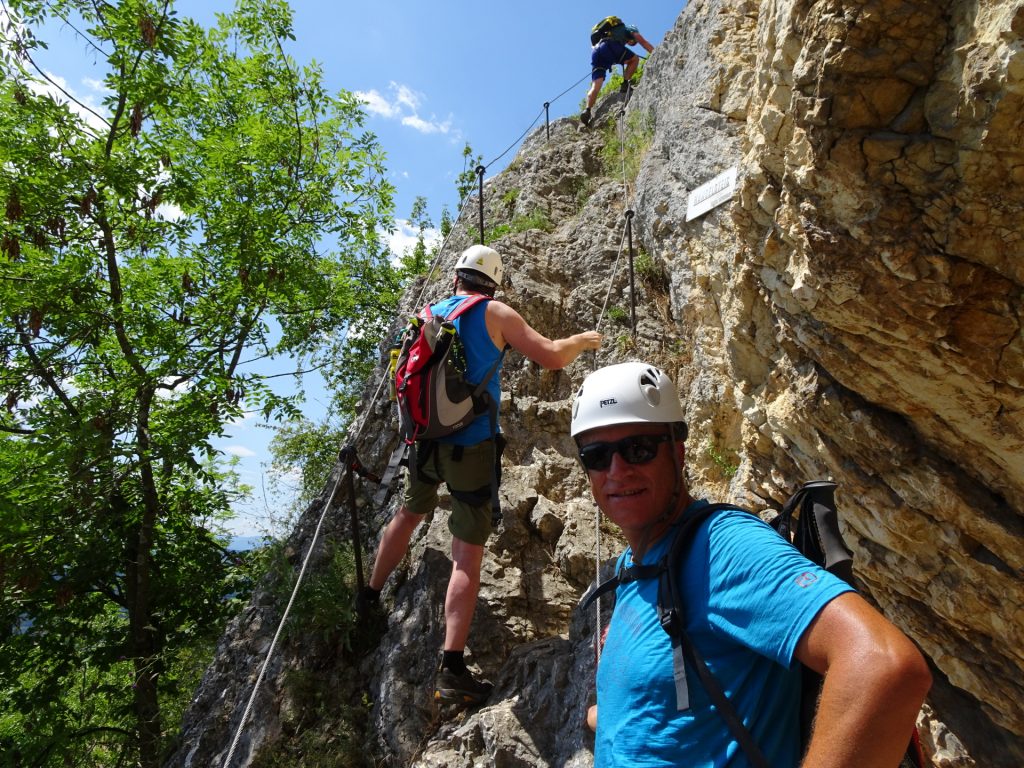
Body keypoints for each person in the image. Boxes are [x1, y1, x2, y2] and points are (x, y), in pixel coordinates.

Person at [571, 362, 932, 767]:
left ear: (677, 451)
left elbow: (884, 664)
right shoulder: (634, 569)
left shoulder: (722, 547)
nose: (617, 470)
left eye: (638, 448)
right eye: (597, 456)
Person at [357, 244, 603, 707]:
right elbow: (550, 356)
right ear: (493, 279)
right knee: (466, 554)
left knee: (409, 513)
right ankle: (451, 667)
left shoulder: (429, 311)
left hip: (423, 439)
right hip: (470, 445)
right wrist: (580, 342)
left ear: (458, 276)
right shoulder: (495, 313)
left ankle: (369, 597)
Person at [580, 22, 654, 127]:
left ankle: (587, 110)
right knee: (634, 59)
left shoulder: (613, 32)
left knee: (596, 86)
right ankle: (625, 84)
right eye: (632, 42)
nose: (630, 43)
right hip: (609, 46)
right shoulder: (631, 29)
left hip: (596, 51)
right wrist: (656, 53)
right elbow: (643, 43)